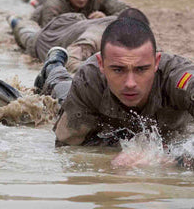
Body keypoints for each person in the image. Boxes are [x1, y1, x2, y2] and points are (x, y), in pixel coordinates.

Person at [34, 18, 194, 148]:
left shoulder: (177, 78)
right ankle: (54, 66)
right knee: (62, 92)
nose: (130, 83)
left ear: (157, 61)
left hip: (165, 139)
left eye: (141, 69)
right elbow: (68, 149)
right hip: (97, 121)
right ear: (101, 63)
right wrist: (119, 152)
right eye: (118, 70)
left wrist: (171, 159)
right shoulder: (90, 79)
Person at [8, 8, 149, 73]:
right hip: (46, 39)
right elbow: (70, 61)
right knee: (26, 33)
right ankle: (14, 21)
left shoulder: (141, 32)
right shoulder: (95, 37)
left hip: (74, 25)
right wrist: (105, 71)